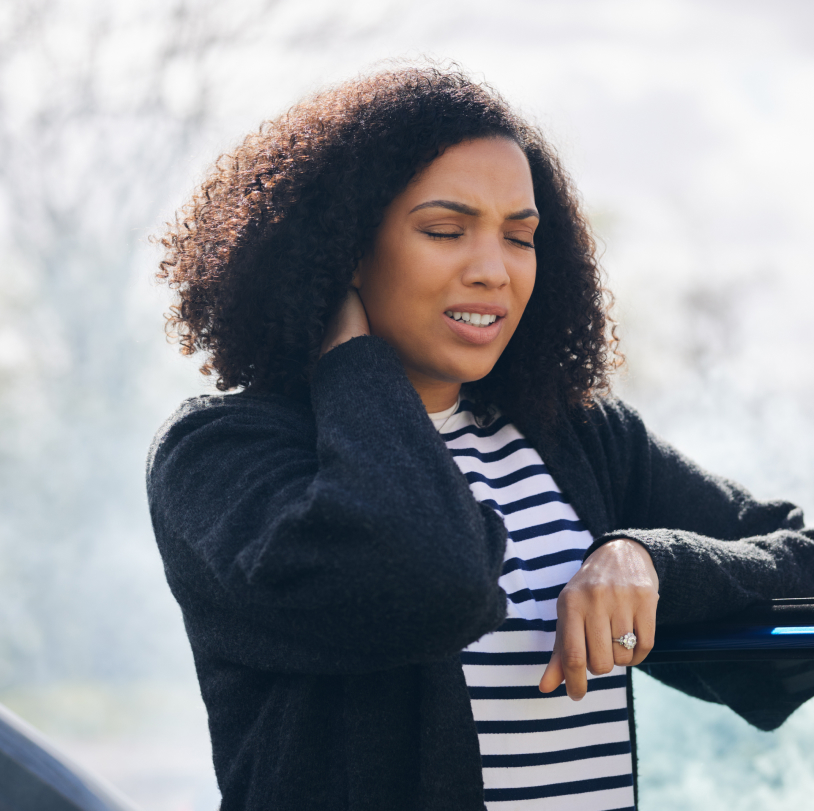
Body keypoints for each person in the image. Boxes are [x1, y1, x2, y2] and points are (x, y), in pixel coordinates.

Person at [147, 64, 814, 811]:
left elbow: (803, 562)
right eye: (445, 230)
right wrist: (351, 357)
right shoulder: (221, 455)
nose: (494, 270)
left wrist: (647, 559)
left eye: (521, 238)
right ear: (346, 249)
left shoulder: (579, 438)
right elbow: (430, 581)